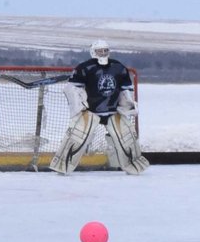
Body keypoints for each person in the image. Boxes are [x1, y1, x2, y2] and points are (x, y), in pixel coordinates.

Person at [50, 40, 146, 175]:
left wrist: (126, 106)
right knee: (76, 137)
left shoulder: (118, 67)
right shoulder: (84, 68)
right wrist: (80, 108)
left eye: (105, 50)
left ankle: (134, 166)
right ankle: (62, 165)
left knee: (127, 138)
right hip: (90, 111)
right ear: (93, 52)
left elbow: (126, 89)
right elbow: (73, 89)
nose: (103, 53)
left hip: (113, 111)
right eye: (100, 51)